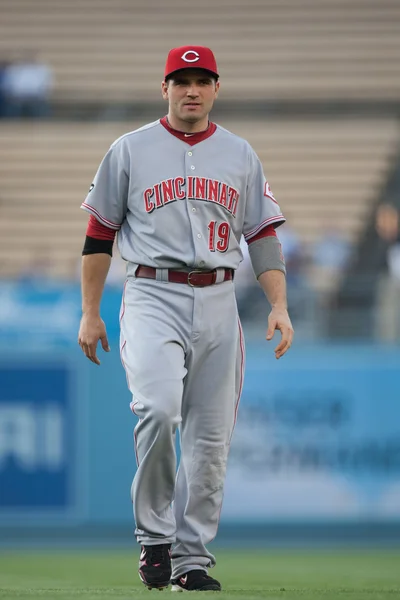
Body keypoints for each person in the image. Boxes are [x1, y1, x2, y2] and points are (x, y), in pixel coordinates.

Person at [78, 46, 293, 592]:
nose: (190, 90)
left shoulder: (240, 154)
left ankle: (191, 559)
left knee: (211, 439)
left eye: (201, 80)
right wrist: (89, 312)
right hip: (152, 292)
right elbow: (99, 235)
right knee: (157, 408)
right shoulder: (128, 150)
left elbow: (263, 236)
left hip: (221, 298)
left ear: (216, 87)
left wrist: (280, 305)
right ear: (165, 88)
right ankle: (155, 539)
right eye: (181, 80)